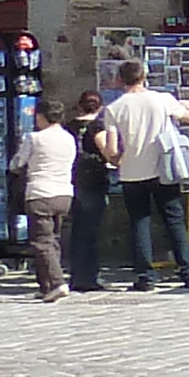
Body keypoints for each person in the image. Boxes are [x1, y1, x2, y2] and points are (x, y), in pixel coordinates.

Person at [92, 59, 189, 291]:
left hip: (132, 173)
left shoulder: (114, 108)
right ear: (144, 76)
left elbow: (113, 149)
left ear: (119, 80)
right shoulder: (161, 99)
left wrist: (115, 159)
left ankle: (145, 276)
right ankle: (188, 271)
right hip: (162, 168)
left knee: (139, 223)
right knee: (174, 220)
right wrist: (186, 108)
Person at [19, 99, 79, 303]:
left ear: (40, 116)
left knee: (42, 242)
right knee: (52, 240)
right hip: (63, 193)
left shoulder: (34, 138)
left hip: (40, 193)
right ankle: (44, 286)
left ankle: (57, 282)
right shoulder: (69, 138)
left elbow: (18, 161)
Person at [64, 91, 113, 296]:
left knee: (77, 229)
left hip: (71, 179)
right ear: (100, 107)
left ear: (80, 106)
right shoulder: (97, 127)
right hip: (93, 181)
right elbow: (107, 152)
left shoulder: (68, 127)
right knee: (89, 230)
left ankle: (76, 273)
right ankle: (87, 277)